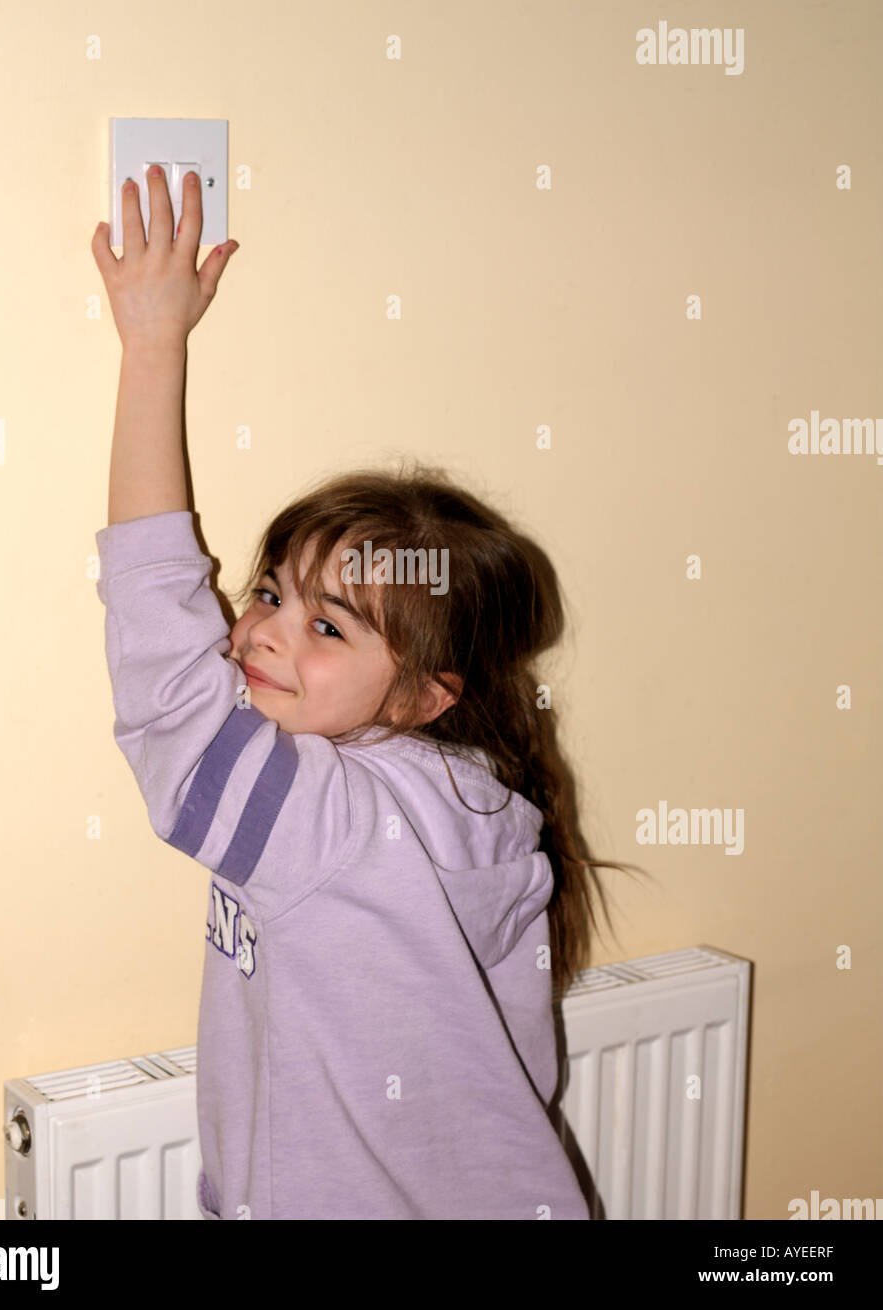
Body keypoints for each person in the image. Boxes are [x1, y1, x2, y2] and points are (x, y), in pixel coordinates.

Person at [91, 166, 639, 1220]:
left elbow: (168, 688)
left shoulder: (331, 823)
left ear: (428, 695)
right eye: (270, 591)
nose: (258, 632)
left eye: (327, 625)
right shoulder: (458, 794)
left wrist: (153, 348)